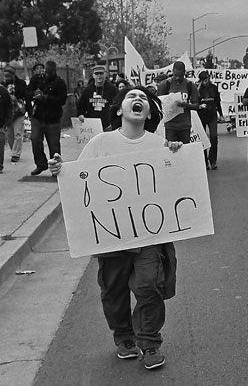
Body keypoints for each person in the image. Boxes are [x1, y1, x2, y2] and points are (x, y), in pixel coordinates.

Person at [48, 86, 183, 370]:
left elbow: (176, 180)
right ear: (120, 109)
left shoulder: (159, 145)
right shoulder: (100, 143)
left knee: (149, 286)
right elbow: (80, 179)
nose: (138, 100)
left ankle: (150, 342)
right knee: (114, 291)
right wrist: (61, 169)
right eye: (131, 97)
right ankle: (124, 337)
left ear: (149, 112)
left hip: (148, 237)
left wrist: (178, 156)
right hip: (111, 238)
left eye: (144, 98)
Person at [25, 60, 67, 176]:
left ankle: (56, 169)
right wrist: (35, 94)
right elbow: (27, 93)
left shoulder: (60, 83)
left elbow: (62, 100)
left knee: (54, 145)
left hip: (53, 118)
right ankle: (41, 164)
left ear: (53, 71)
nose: (46, 75)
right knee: (35, 140)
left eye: (49, 73)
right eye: (45, 72)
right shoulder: (37, 80)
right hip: (38, 116)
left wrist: (46, 98)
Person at [157, 61, 199, 144]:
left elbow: (196, 105)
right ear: (172, 71)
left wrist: (185, 105)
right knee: (172, 152)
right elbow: (159, 103)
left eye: (180, 76)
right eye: (175, 75)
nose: (177, 78)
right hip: (170, 125)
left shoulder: (190, 85)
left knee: (184, 151)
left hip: (185, 125)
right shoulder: (165, 84)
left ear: (184, 73)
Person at [77, 65, 119, 131]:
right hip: (92, 126)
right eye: (96, 74)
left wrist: (114, 122)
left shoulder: (113, 89)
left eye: (101, 73)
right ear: (93, 76)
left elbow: (118, 106)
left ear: (105, 74)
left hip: (109, 126)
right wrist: (81, 115)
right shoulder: (87, 90)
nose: (99, 76)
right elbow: (81, 107)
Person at [197, 70, 223, 170]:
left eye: (207, 79)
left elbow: (217, 102)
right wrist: (198, 88)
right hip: (201, 116)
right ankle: (204, 161)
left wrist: (221, 115)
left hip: (212, 115)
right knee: (202, 139)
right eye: (203, 80)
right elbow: (195, 101)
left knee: (213, 137)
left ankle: (213, 160)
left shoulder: (213, 88)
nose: (205, 82)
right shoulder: (198, 89)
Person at [2, 66, 27, 163]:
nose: (6, 78)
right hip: (7, 113)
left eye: (8, 76)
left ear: (13, 75)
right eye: (5, 76)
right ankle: (14, 151)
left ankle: (16, 154)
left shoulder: (21, 84)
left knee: (18, 133)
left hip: (18, 111)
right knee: (10, 135)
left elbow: (25, 95)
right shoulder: (2, 85)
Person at [0, 83, 13, 174]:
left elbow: (9, 107)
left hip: (0, 124)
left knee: (0, 144)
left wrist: (7, 121)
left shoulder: (3, 91)